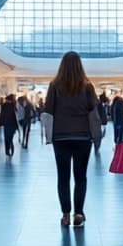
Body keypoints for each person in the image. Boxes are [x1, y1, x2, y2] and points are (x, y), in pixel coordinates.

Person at [45, 51, 99, 227]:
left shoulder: (54, 86)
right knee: (80, 176)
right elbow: (95, 112)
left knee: (63, 177)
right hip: (83, 136)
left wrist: (49, 135)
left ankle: (65, 214)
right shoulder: (87, 86)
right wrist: (96, 135)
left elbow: (48, 110)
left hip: (60, 137)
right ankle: (79, 213)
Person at [0, 93, 19, 157]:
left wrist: (0, 123)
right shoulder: (13, 105)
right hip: (12, 124)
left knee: (6, 137)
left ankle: (7, 150)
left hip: (6, 124)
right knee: (10, 137)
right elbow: (15, 116)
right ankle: (10, 145)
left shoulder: (5, 105)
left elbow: (2, 114)